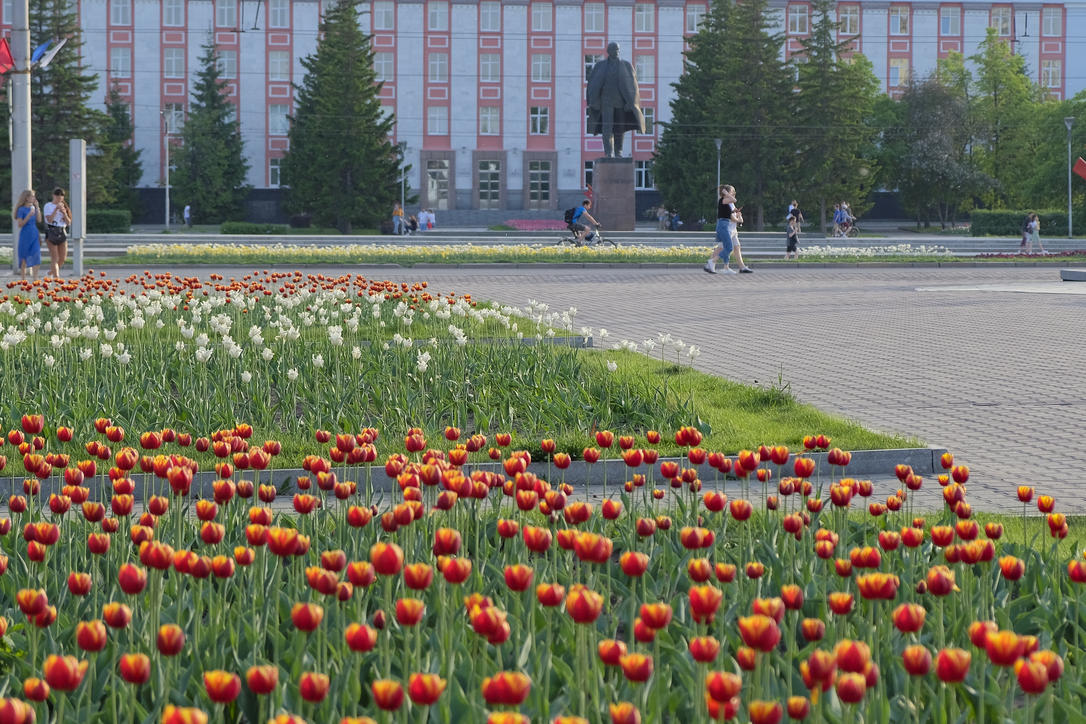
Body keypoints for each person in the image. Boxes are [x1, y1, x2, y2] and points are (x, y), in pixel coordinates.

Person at [586, 42, 646, 157]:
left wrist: (631, 102)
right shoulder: (600, 66)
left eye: (618, 49)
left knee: (619, 128)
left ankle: (618, 152)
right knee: (607, 128)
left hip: (621, 102)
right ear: (609, 51)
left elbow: (633, 86)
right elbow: (592, 84)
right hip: (606, 102)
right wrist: (594, 101)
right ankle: (609, 153)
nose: (617, 52)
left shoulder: (626, 65)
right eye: (614, 49)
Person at [42, 187, 72, 279]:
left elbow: (68, 222)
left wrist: (64, 213)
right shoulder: (48, 206)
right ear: (53, 195)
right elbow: (49, 220)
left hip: (62, 231)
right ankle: (56, 278)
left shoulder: (64, 206)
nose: (59, 197)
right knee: (55, 257)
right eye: (57, 194)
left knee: (62, 258)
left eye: (61, 195)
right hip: (52, 231)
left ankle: (51, 272)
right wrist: (56, 209)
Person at [14, 189, 41, 280]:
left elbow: (39, 220)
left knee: (36, 254)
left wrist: (37, 208)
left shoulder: (33, 208)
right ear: (26, 198)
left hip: (34, 233)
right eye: (32, 196)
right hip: (25, 234)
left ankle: (35, 278)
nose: (34, 198)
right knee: (24, 256)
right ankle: (23, 278)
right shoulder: (21, 209)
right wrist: (29, 215)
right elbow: (20, 224)